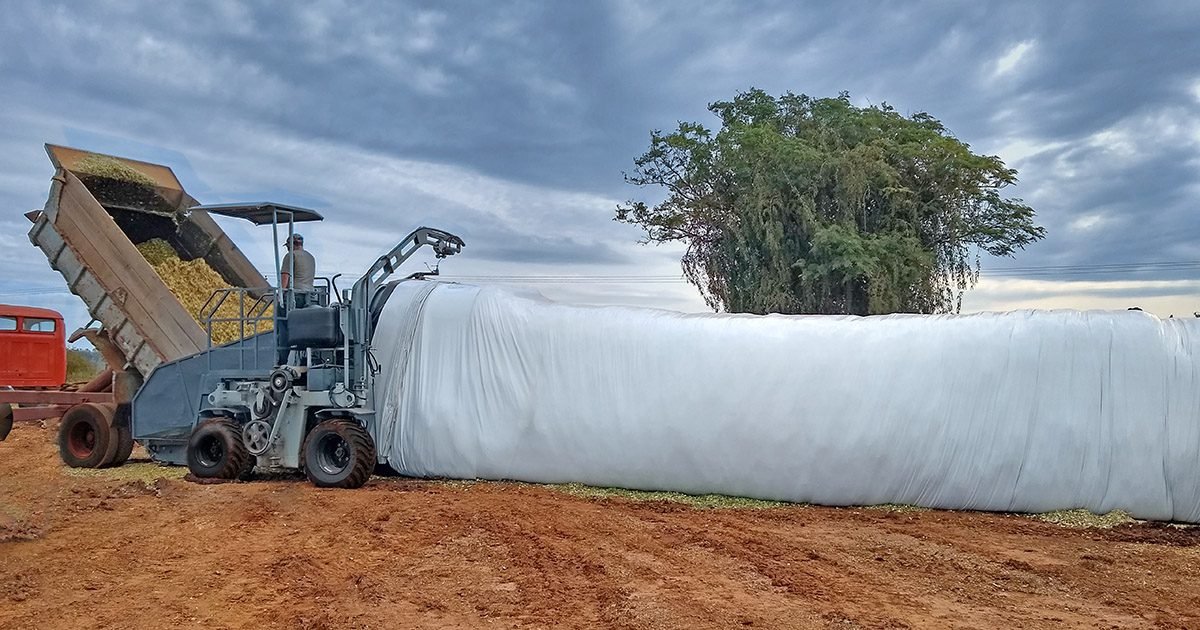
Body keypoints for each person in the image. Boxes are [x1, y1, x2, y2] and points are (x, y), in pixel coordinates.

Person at [276, 233, 316, 364]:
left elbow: (285, 277)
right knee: (304, 329)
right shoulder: (311, 257)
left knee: (283, 327)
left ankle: (282, 360)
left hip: (294, 297)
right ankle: (305, 358)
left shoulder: (290, 256)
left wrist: (280, 295)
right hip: (309, 298)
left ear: (290, 245)